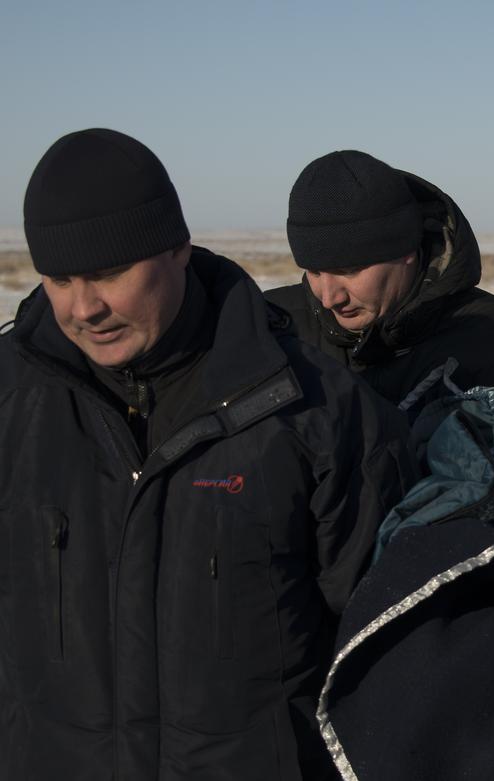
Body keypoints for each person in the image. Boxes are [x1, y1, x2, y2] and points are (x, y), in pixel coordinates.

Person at [0, 129, 417, 780]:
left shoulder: (313, 408)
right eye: (58, 277)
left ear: (177, 248)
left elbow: (384, 652)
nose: (84, 307)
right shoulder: (12, 404)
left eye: (110, 272)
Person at [266, 150, 494, 414]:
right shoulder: (268, 328)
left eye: (349, 270)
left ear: (406, 251)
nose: (329, 298)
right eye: (314, 272)